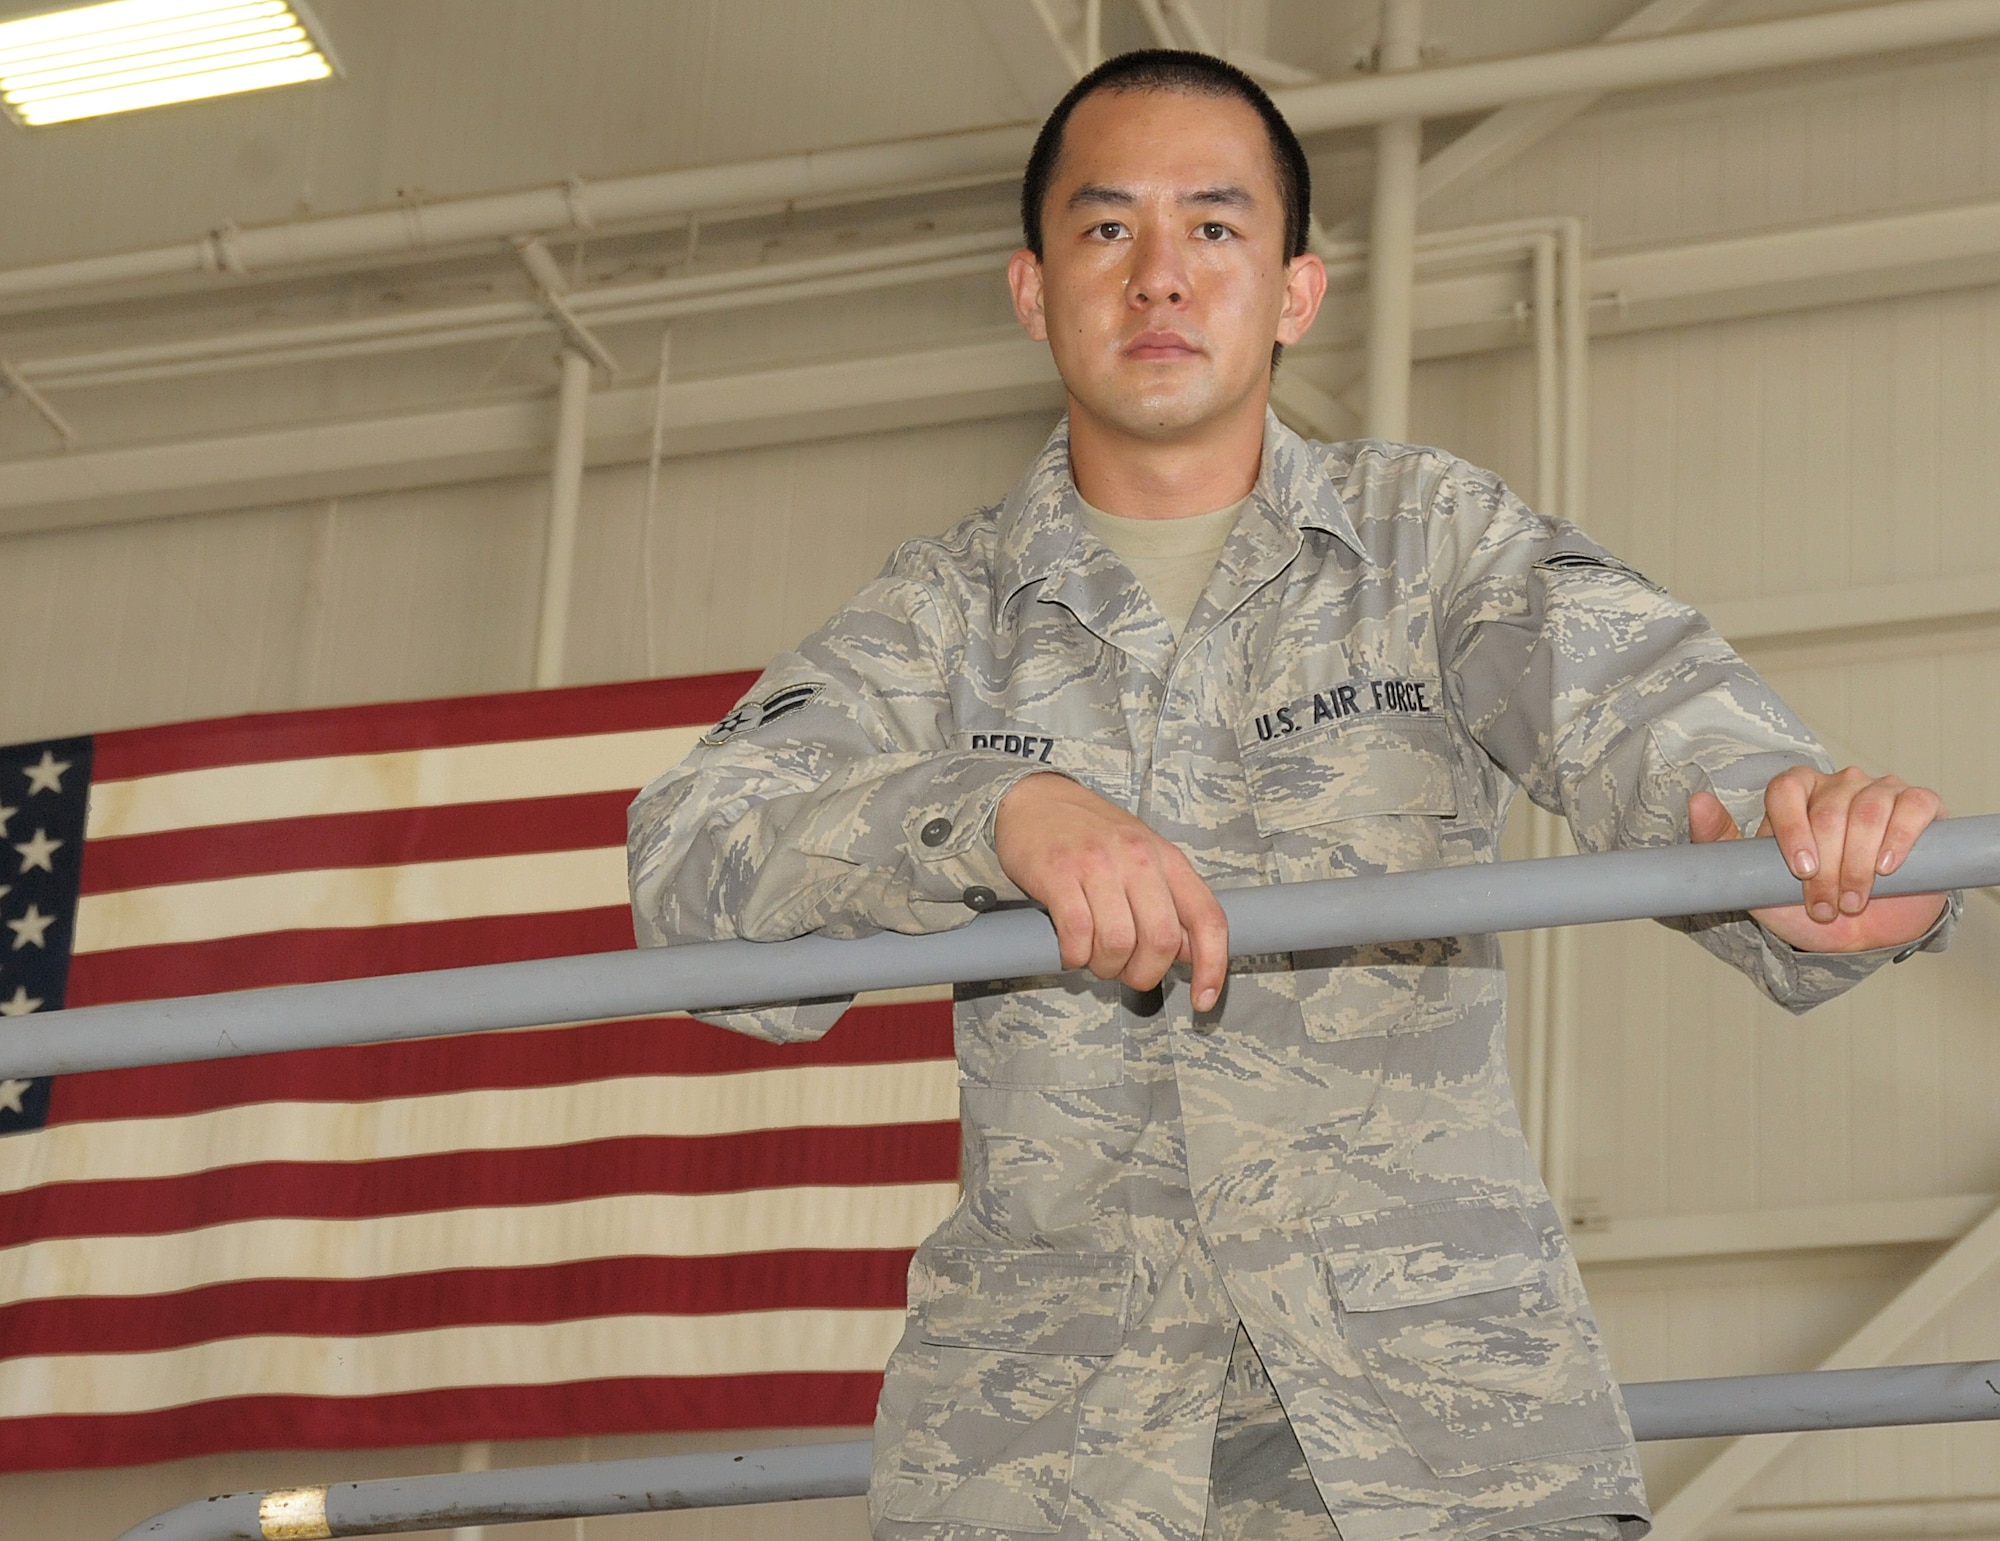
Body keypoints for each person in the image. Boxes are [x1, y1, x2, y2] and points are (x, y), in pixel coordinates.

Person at [627, 49, 1957, 1541]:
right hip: (1055, 1446)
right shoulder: (945, 617)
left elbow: (1642, 708)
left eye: (1215, 227)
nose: (1160, 279)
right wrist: (986, 816)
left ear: (1297, 292)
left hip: (1438, 1426)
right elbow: (690, 859)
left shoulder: (1428, 541)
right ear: (1031, 288)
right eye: (1106, 227)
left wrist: (1812, 845)